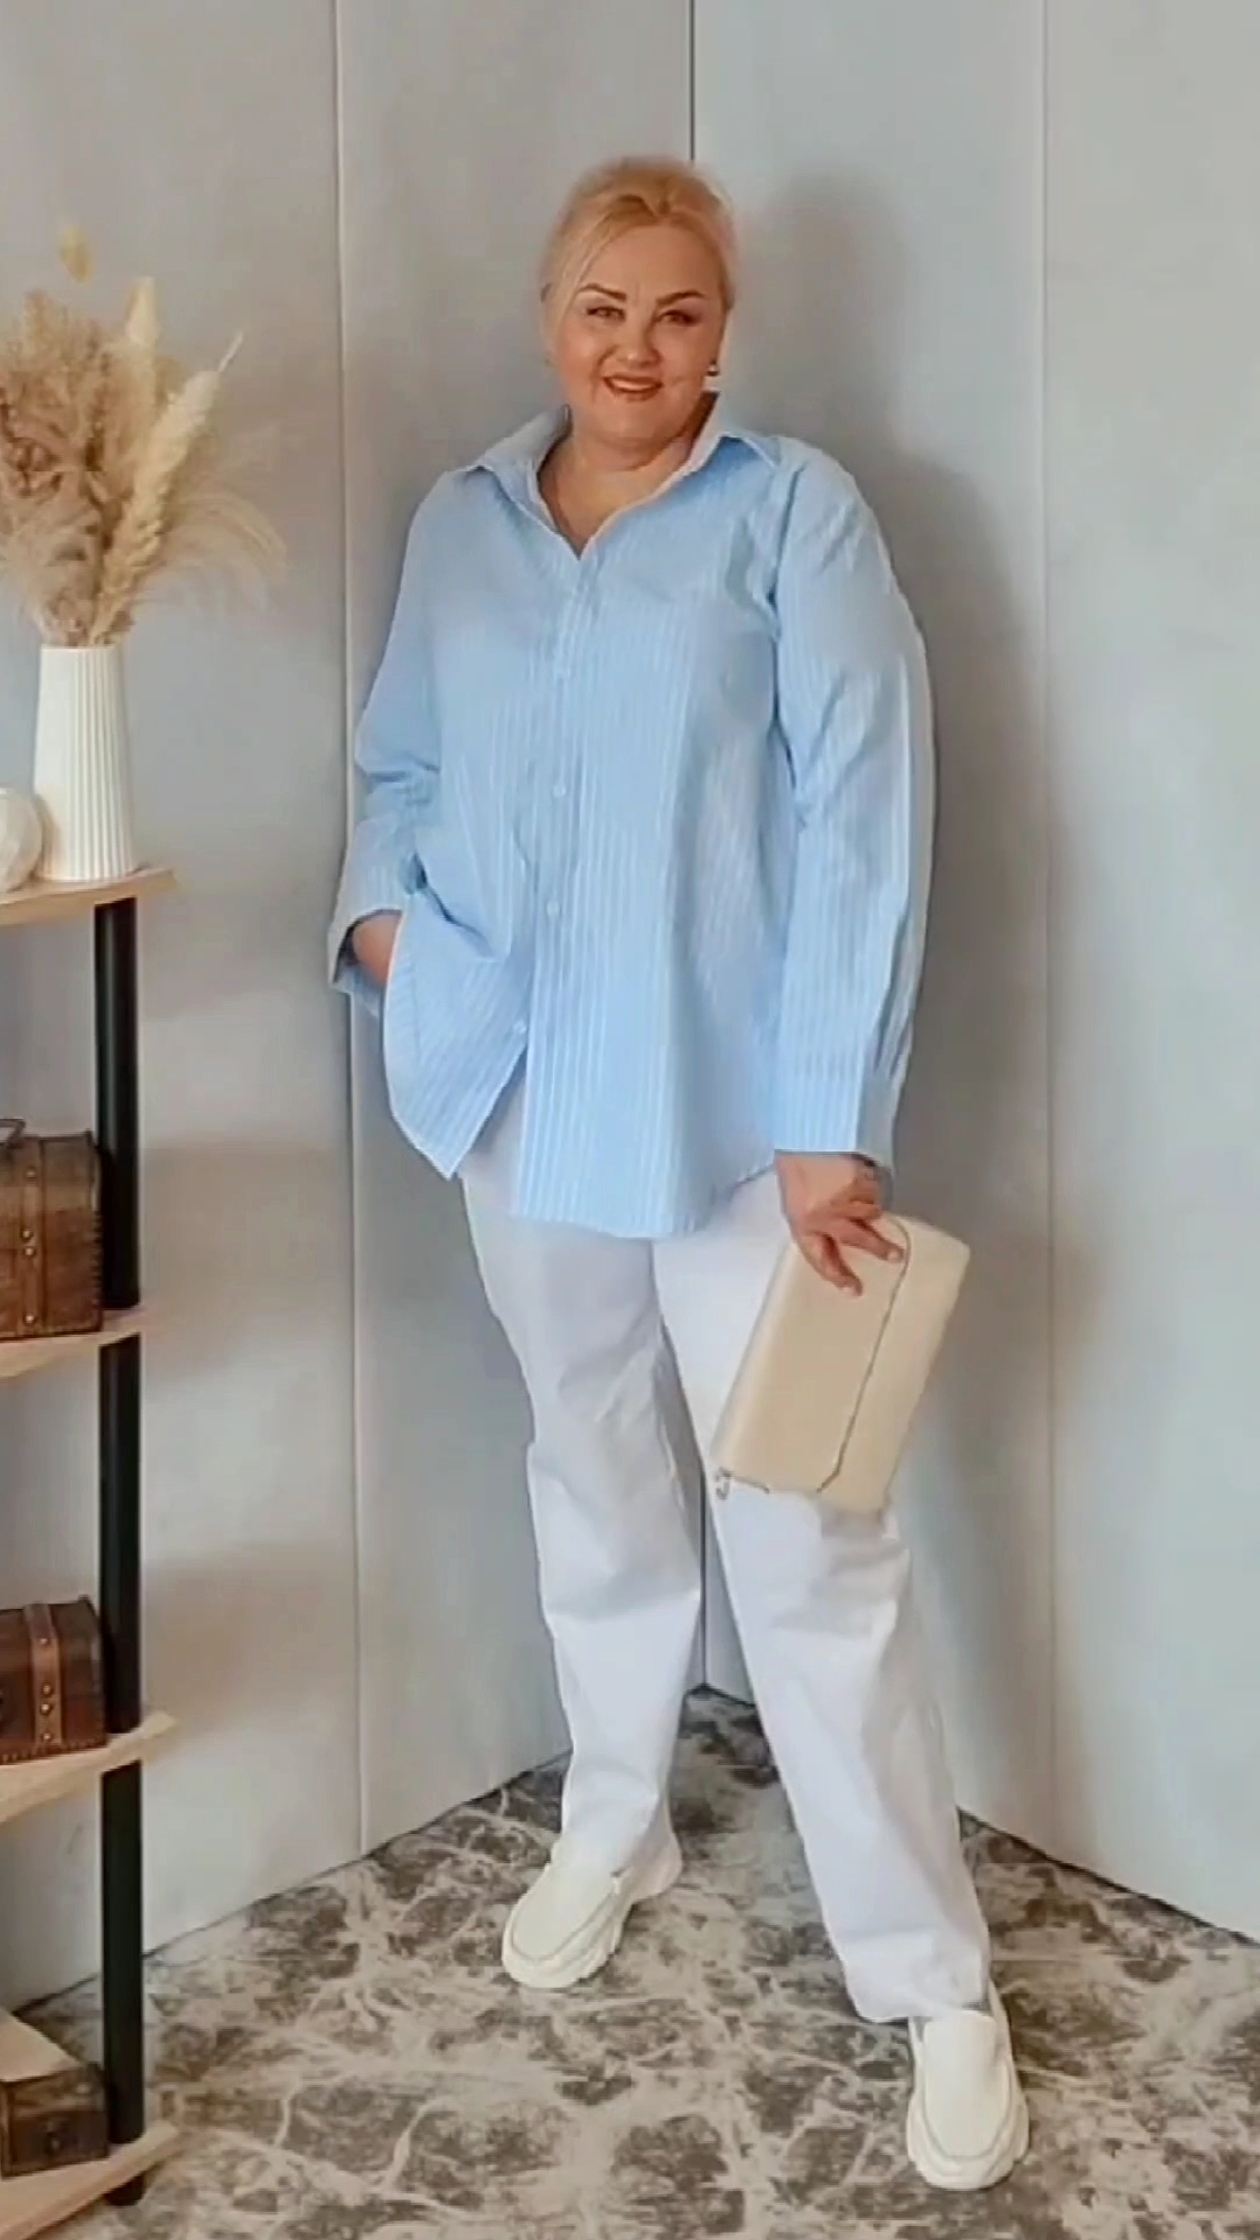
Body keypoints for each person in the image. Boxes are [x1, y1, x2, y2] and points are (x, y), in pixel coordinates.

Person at [329, 156, 1028, 2193]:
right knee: (591, 1465)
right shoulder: (460, 524)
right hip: (517, 1098)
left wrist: (835, 1120)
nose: (637, 347)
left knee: (807, 1530)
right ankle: (615, 1814)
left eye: (680, 310)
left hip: (743, 1131)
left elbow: (867, 817)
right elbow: (397, 770)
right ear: (549, 314)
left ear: (727, 331)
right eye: (604, 306)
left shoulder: (796, 516)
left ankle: (931, 1977)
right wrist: (392, 940)